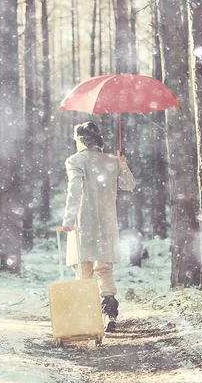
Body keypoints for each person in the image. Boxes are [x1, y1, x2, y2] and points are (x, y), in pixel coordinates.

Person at [60, 121, 135, 333]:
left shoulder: (75, 161)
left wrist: (68, 220)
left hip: (83, 222)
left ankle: (86, 318)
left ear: (80, 140)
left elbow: (74, 190)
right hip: (107, 222)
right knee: (104, 268)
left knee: (83, 268)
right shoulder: (111, 161)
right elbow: (129, 185)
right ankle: (110, 311)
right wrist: (122, 163)